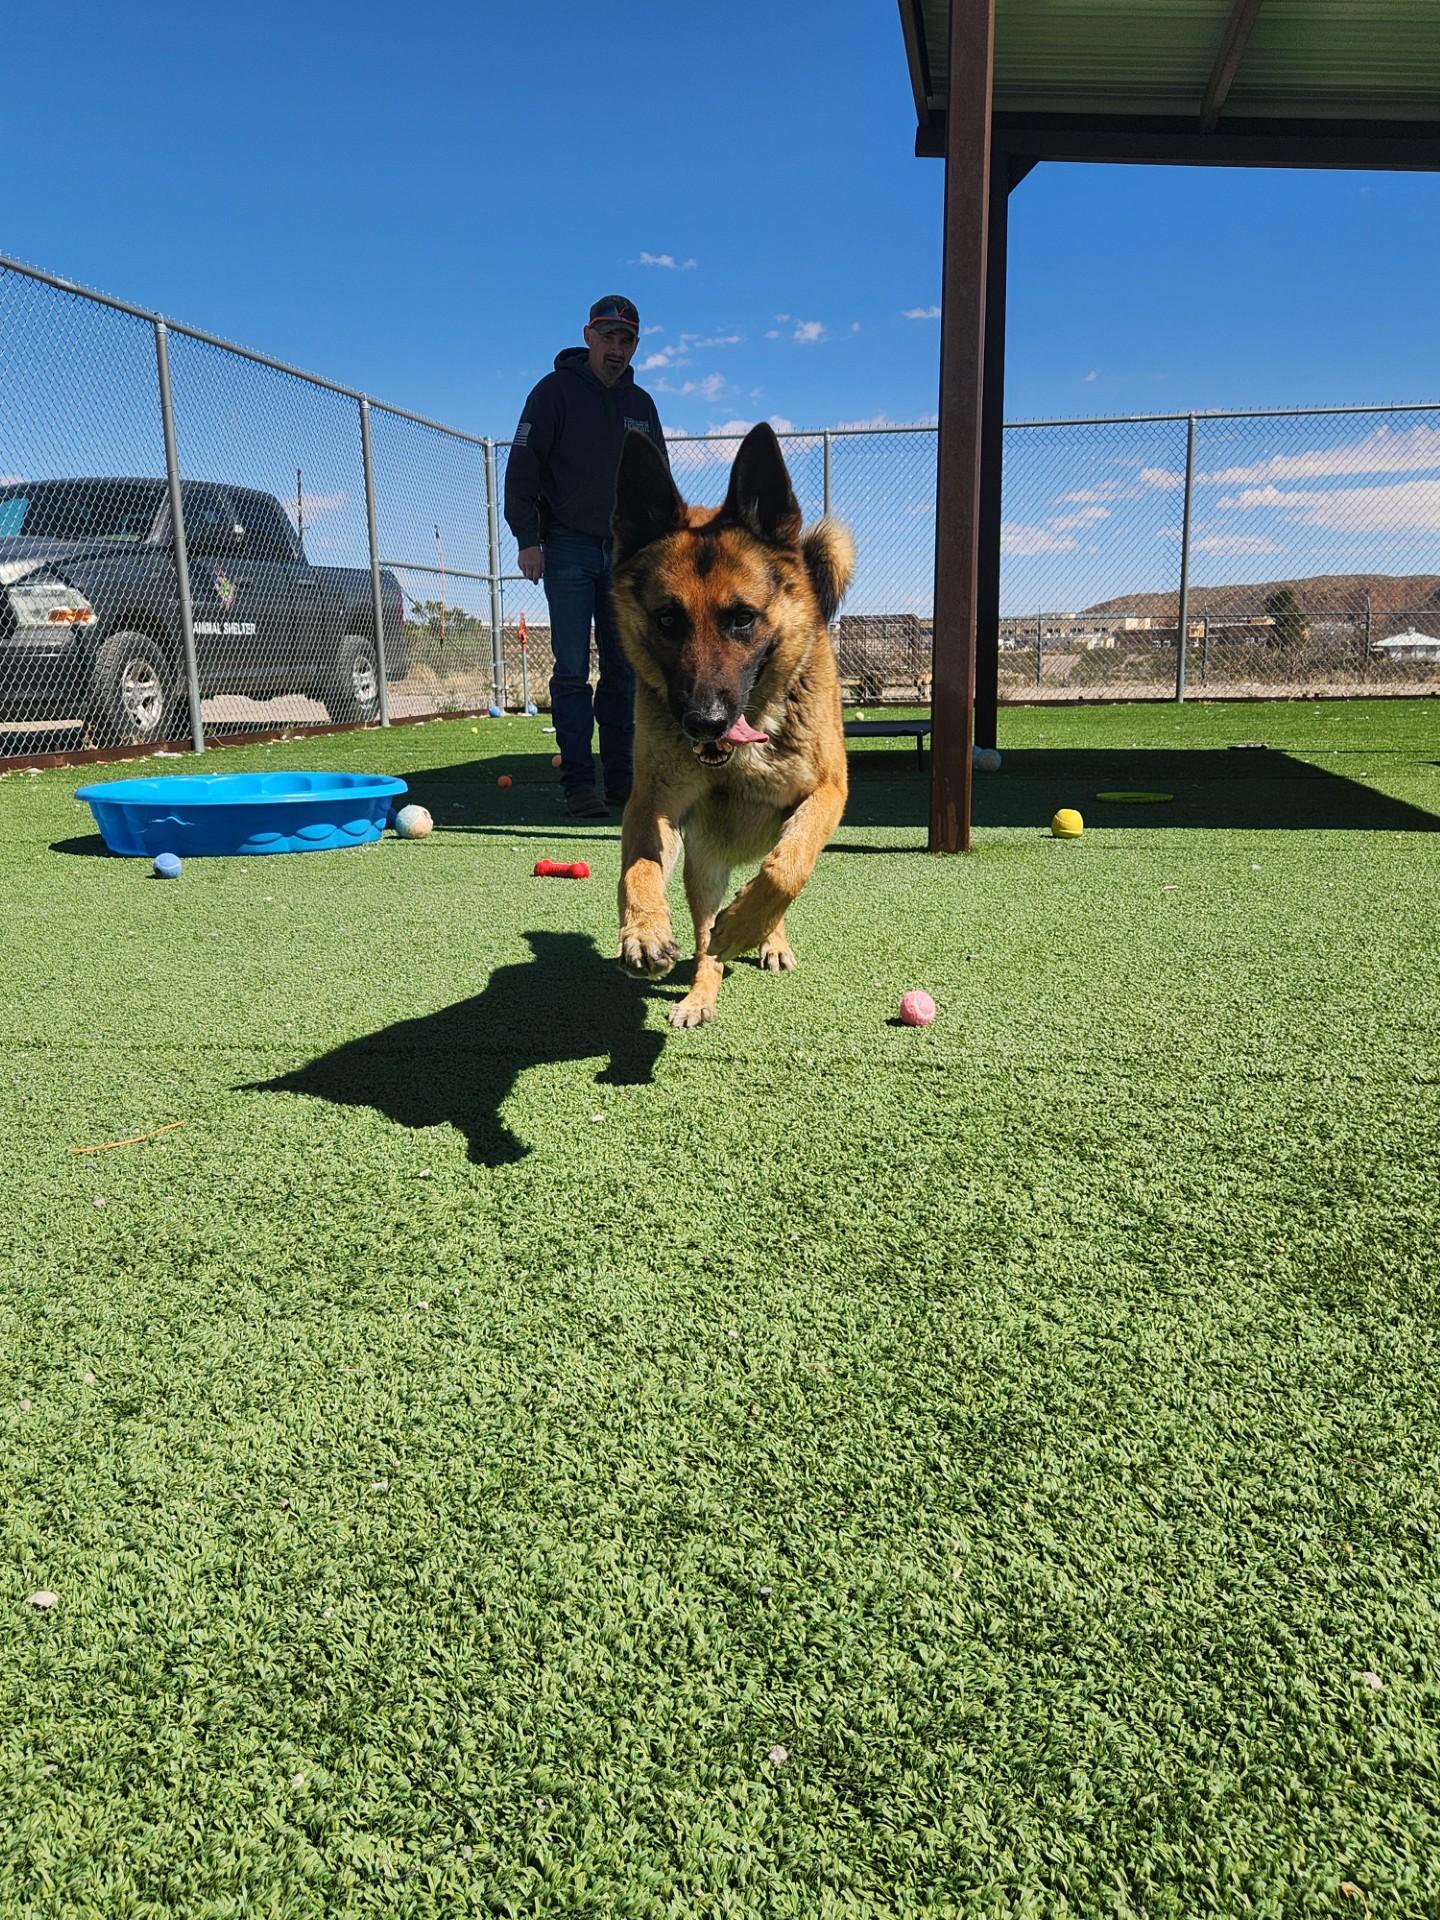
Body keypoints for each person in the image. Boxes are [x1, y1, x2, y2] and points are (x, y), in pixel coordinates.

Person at [504, 295, 668, 818]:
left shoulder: (641, 406)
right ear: (588, 336)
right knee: (573, 670)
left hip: (626, 557)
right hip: (568, 547)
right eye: (608, 337)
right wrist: (528, 538)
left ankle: (622, 783)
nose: (617, 349)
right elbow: (523, 467)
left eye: (627, 340)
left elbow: (659, 481)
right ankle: (579, 783)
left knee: (623, 670)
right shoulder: (553, 394)